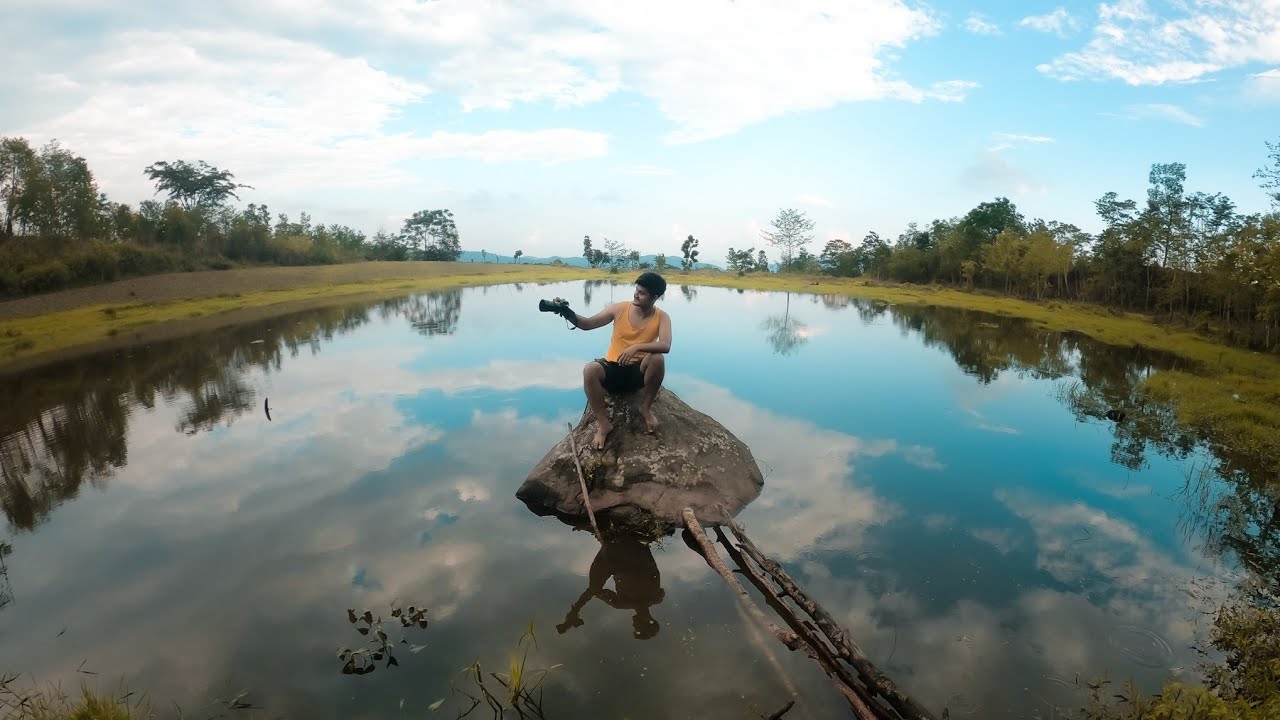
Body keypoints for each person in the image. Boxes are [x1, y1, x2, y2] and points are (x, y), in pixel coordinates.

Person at [551, 271, 672, 450]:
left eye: (642, 293)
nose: (636, 294)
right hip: (613, 369)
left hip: (638, 373)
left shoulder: (662, 317)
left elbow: (665, 345)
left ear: (655, 296)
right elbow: (587, 324)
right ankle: (604, 424)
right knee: (590, 369)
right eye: (636, 290)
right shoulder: (619, 308)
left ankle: (645, 408)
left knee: (657, 358)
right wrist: (567, 312)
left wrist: (637, 347)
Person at [555, 536, 665, 640]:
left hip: (640, 548)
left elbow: (656, 594)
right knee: (595, 587)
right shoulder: (622, 603)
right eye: (636, 626)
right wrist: (576, 609)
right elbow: (594, 591)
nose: (633, 624)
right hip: (615, 552)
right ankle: (609, 543)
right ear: (645, 621)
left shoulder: (658, 597)